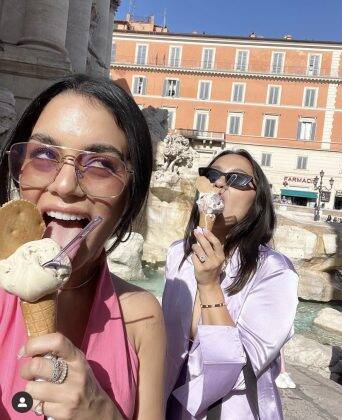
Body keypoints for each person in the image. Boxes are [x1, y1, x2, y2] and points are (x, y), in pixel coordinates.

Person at [0, 75, 165, 419]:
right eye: (43, 154)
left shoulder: (143, 317)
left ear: (129, 196)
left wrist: (102, 412)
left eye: (101, 165)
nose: (64, 185)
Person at [162, 149, 299, 419]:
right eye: (213, 175)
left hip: (231, 410)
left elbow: (238, 367)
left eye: (236, 179)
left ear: (257, 200)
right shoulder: (178, 254)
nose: (220, 183)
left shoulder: (274, 270)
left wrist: (210, 284)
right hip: (167, 404)